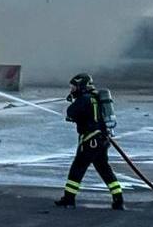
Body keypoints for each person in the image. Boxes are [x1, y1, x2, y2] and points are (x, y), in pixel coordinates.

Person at [55, 73, 124, 210]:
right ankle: (118, 199)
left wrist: (72, 106)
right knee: (104, 169)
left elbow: (71, 113)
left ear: (80, 86)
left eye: (73, 87)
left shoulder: (84, 99)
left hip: (90, 141)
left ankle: (69, 200)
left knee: (77, 169)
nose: (72, 90)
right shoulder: (96, 98)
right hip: (102, 139)